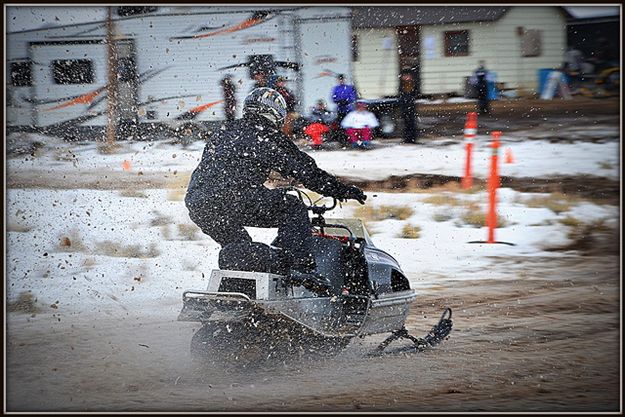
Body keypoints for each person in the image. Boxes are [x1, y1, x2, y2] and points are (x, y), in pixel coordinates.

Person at [185, 87, 366, 295]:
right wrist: (341, 190)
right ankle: (301, 269)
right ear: (274, 112)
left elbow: (229, 166)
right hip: (232, 197)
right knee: (292, 207)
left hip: (199, 201)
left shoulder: (225, 131)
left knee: (240, 248)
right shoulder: (267, 136)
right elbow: (307, 172)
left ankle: (240, 295)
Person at [331, 74, 358, 143]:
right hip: (340, 110)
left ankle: (352, 140)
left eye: (342, 79)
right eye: (340, 79)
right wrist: (339, 101)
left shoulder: (349, 88)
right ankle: (342, 140)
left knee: (350, 125)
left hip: (348, 110)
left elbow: (353, 97)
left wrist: (346, 101)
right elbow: (333, 98)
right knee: (340, 126)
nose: (341, 81)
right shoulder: (336, 88)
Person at [398, 71, 419, 144]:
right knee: (406, 123)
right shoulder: (402, 85)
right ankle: (407, 138)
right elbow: (401, 95)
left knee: (411, 123)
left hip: (411, 106)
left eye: (407, 76)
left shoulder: (413, 84)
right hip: (404, 106)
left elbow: (415, 94)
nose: (406, 77)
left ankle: (412, 138)